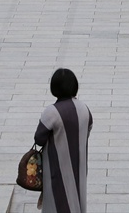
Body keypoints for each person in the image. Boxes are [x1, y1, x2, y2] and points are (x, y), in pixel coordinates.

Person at [34, 69, 93, 213]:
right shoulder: (84, 109)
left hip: (57, 168)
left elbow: (39, 139)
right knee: (77, 201)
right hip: (79, 167)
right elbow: (88, 129)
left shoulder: (52, 112)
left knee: (58, 202)